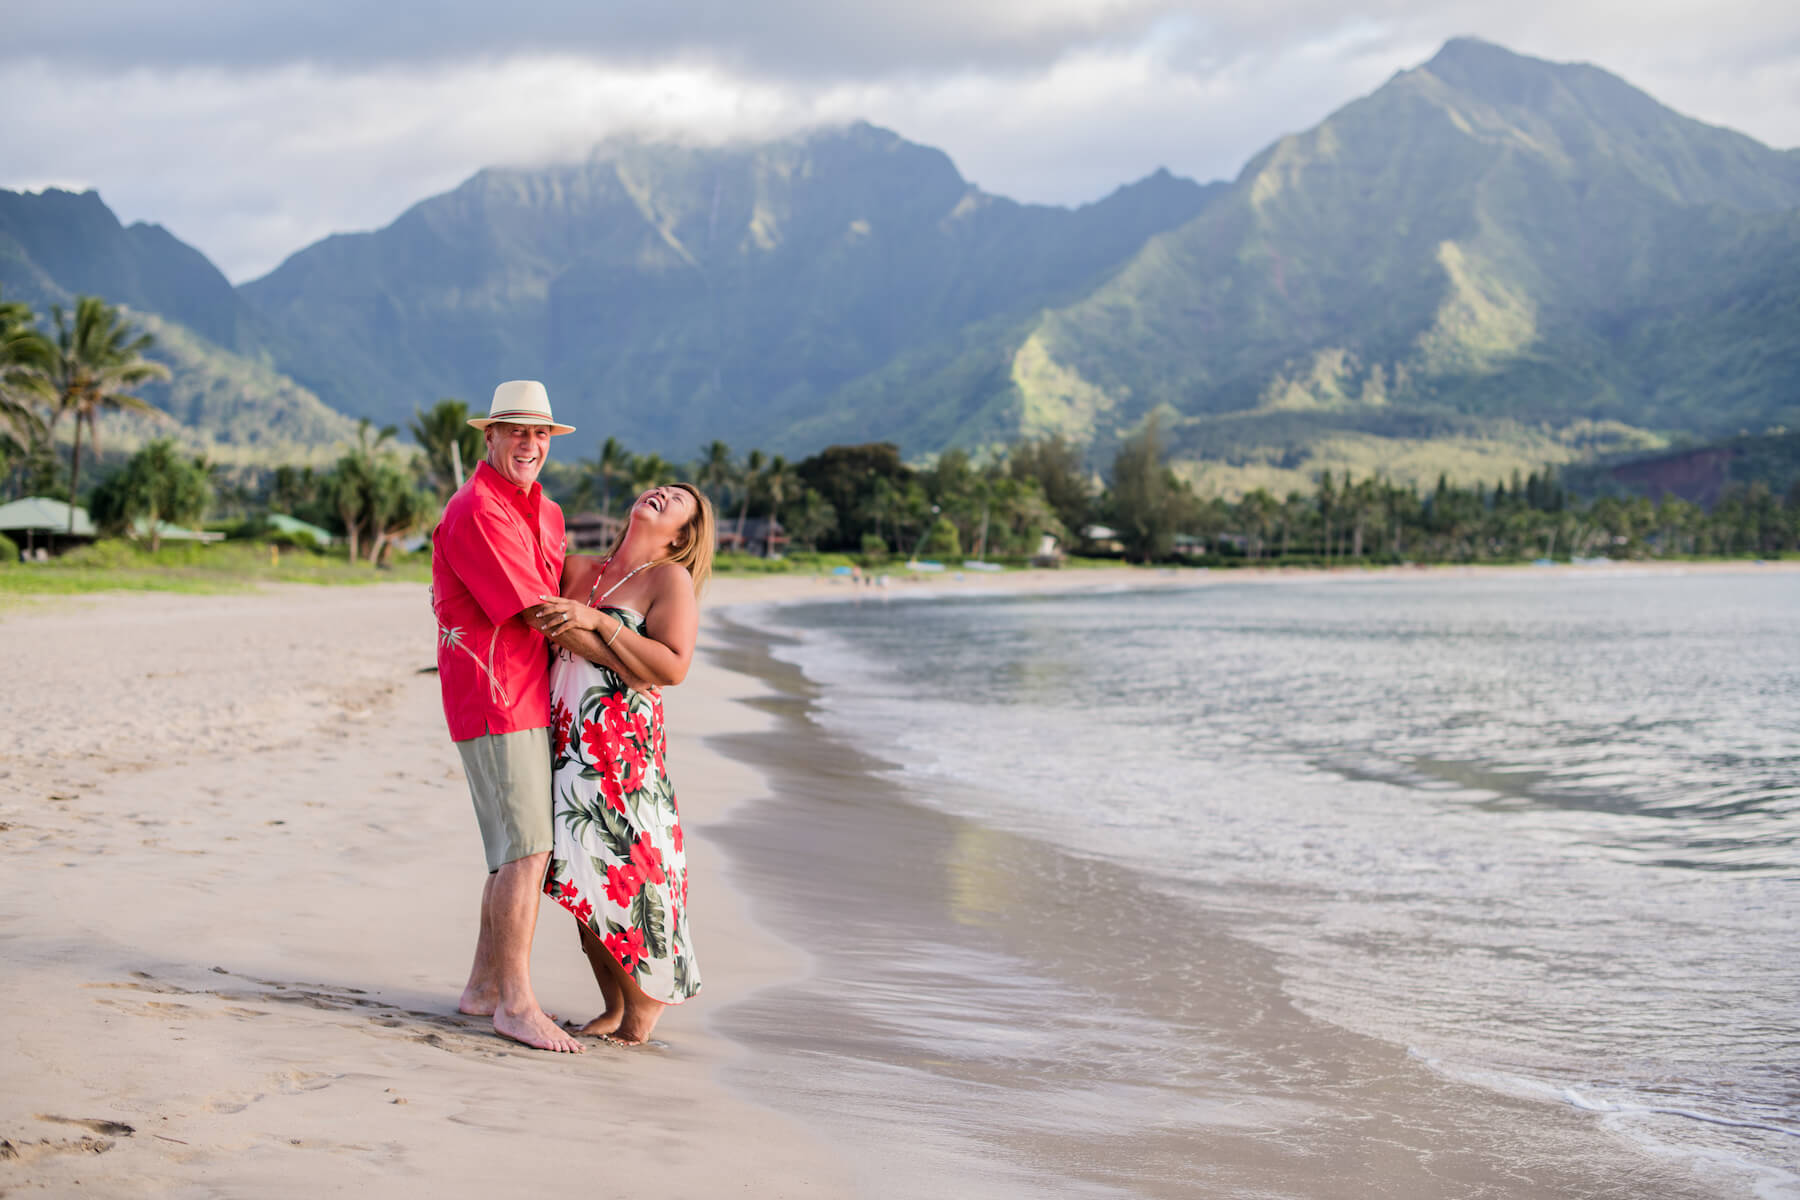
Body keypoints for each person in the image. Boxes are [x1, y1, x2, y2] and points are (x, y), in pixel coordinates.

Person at [529, 481, 714, 1044]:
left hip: (624, 745)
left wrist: (595, 624)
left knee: (632, 870)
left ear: (683, 533)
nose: (662, 493)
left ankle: (643, 1007)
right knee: (578, 867)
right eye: (659, 487)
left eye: (677, 499)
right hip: (567, 736)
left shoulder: (669, 579)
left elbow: (671, 668)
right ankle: (614, 1004)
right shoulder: (578, 567)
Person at [429, 380, 583, 1054]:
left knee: (510, 851)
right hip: (494, 693)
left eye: (540, 433)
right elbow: (536, 611)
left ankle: (484, 989)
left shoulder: (546, 512)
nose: (529, 444)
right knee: (528, 847)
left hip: (528, 692)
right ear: (487, 437)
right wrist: (632, 653)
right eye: (515, 431)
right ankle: (517, 1004)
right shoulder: (479, 510)